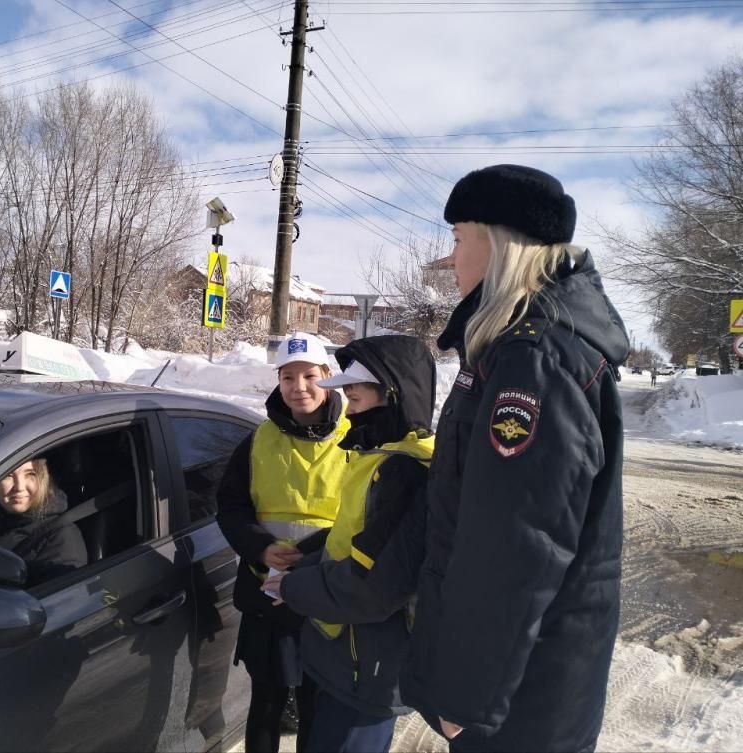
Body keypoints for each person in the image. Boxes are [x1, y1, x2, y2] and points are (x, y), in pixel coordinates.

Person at [399, 164, 628, 752]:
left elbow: (517, 545)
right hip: (531, 684)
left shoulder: (536, 357)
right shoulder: (524, 343)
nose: (450, 259)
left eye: (457, 239)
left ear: (499, 244)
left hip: (520, 701)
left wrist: (468, 695)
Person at [261, 335, 436, 753]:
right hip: (347, 658)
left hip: (367, 669)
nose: (350, 414)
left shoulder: (405, 472)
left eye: (355, 402)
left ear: (392, 398)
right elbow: (351, 542)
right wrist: (303, 564)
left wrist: (290, 587)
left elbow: (370, 589)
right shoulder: (384, 458)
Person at [216, 332, 352, 753]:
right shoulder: (258, 441)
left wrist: (308, 558)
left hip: (326, 596)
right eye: (288, 377)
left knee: (317, 707)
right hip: (266, 596)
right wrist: (259, 547)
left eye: (309, 376)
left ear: (327, 377)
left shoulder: (356, 440)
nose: (299, 387)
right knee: (267, 704)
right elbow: (231, 506)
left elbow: (365, 517)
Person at [0, 458, 88, 584]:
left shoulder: (62, 536)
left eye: (30, 474)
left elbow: (59, 600)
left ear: (43, 479)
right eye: (8, 475)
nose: (19, 487)